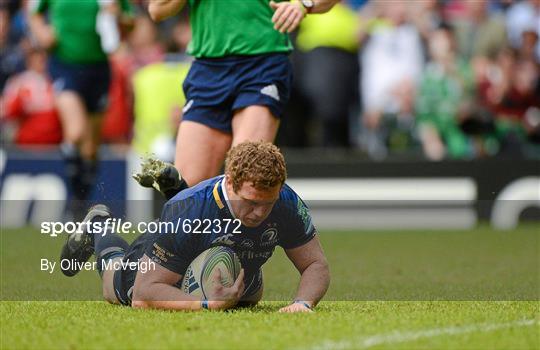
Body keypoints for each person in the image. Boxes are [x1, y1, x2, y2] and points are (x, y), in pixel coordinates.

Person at [60, 141, 330, 312]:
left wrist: (303, 303)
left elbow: (315, 264)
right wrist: (204, 305)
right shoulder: (186, 211)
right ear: (229, 183)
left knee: (250, 292)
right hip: (167, 254)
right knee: (117, 286)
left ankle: (179, 191)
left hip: (226, 260)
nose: (259, 212)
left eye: (267, 203)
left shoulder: (286, 202)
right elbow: (145, 293)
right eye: (250, 202)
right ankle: (98, 227)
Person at [144, 0, 340, 197]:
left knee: (245, 180)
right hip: (208, 68)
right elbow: (157, 9)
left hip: (263, 63)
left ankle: (285, 223)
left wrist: (303, 5)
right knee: (186, 194)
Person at [28, 0, 133, 215]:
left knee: (91, 148)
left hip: (98, 69)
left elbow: (130, 23)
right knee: (75, 131)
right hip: (64, 65)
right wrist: (42, 33)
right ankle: (75, 201)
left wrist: (119, 18)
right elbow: (34, 13)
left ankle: (80, 203)